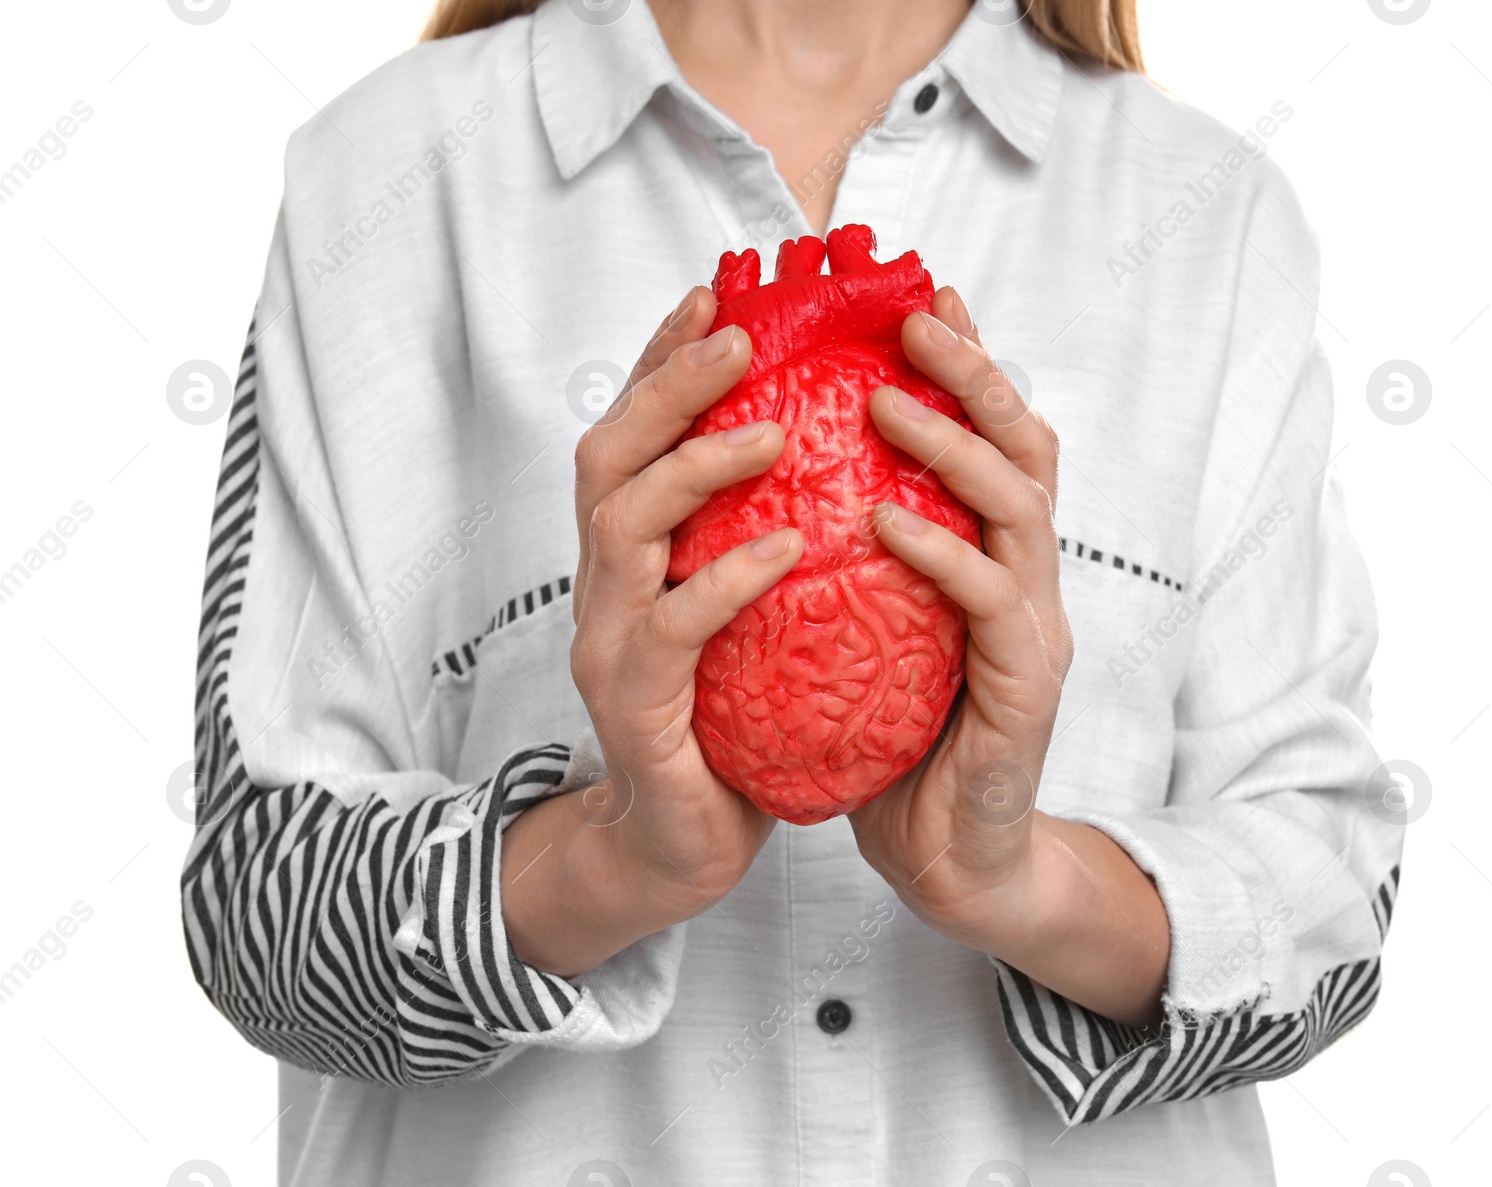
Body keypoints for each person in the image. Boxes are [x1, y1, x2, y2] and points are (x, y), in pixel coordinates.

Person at [178, 0, 1401, 1182]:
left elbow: (1332, 909)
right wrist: (610, 859)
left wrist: (1026, 880)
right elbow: (254, 903)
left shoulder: (1206, 211)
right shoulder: (390, 177)